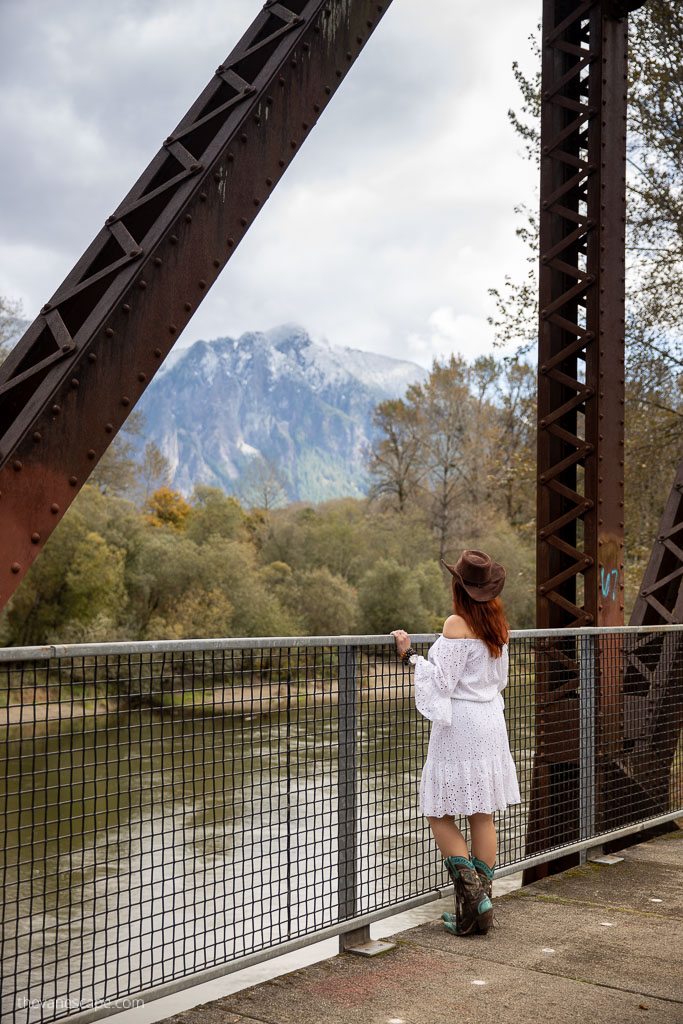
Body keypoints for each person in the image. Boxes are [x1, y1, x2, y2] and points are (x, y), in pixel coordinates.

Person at [391, 549, 520, 936]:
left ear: (459, 586)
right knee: (482, 813)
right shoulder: (498, 625)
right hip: (491, 721)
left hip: (461, 725)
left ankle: (475, 900)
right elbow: (498, 681)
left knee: (436, 811)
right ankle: (477, 912)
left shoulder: (455, 624)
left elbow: (443, 683)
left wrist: (411, 655)